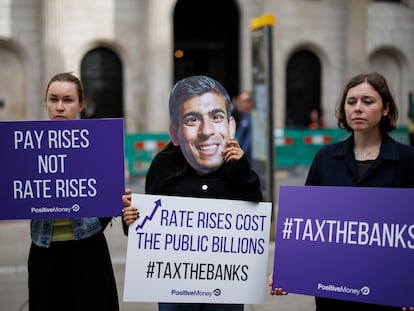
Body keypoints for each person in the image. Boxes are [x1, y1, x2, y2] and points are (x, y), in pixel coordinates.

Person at [270, 72, 414, 311]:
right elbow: (305, 224)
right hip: (333, 296)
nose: (357, 108)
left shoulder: (407, 159)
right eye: (351, 102)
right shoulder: (325, 157)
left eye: (367, 101)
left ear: (386, 108)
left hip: (385, 296)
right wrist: (287, 270)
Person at [122, 75, 263, 311]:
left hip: (225, 292)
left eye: (216, 117)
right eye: (192, 119)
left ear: (231, 127)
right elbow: (146, 229)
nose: (206, 130)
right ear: (175, 133)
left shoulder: (238, 168)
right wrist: (130, 220)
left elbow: (255, 215)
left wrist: (240, 169)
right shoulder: (162, 168)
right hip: (176, 293)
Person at [28, 72, 119, 311]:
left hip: (88, 252)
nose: (59, 107)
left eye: (67, 100)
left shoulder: (99, 146)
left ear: (81, 105)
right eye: (53, 99)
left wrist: (115, 198)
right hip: (43, 253)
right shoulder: (27, 148)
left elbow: (108, 199)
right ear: (45, 103)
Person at [236, 91, 253, 161]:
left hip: (245, 159)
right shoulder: (244, 116)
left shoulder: (251, 119)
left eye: (242, 102)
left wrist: (241, 157)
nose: (240, 104)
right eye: (239, 101)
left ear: (249, 103)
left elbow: (248, 142)